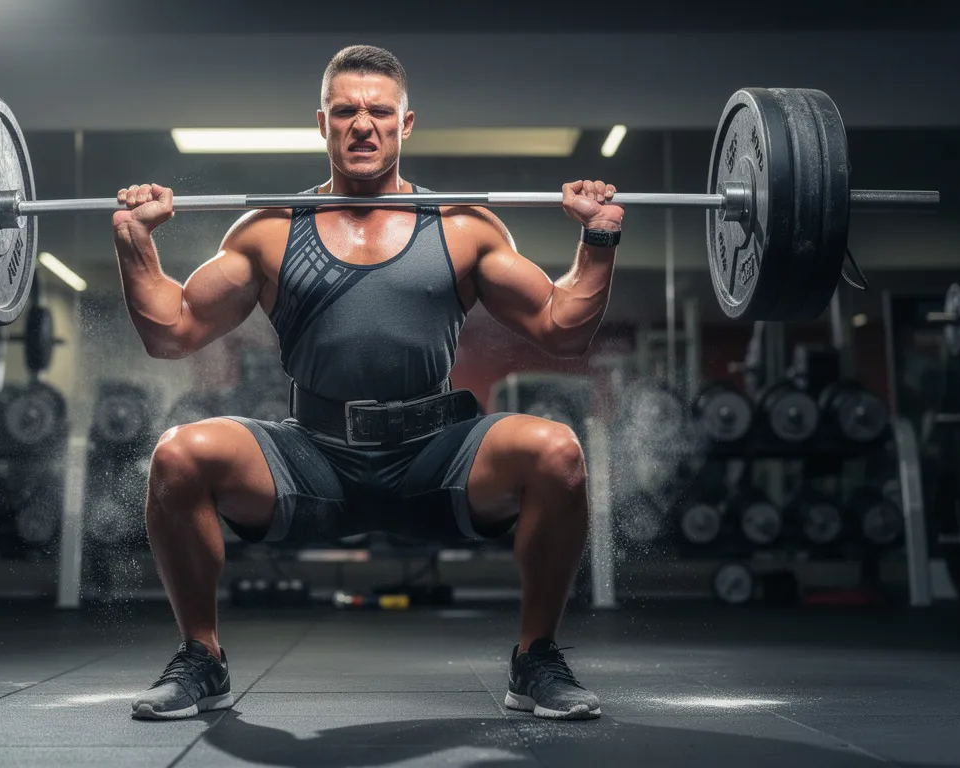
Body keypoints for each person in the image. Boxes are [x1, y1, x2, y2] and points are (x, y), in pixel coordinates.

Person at [115, 45, 620, 721]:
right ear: (320, 121)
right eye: (346, 110)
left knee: (558, 453)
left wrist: (598, 243)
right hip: (314, 458)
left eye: (380, 111)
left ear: (406, 124)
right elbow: (170, 331)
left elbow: (562, 329)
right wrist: (134, 243)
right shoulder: (269, 230)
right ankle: (202, 660)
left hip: (435, 455)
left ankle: (536, 659)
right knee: (178, 456)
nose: (363, 125)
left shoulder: (461, 226)